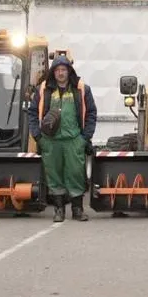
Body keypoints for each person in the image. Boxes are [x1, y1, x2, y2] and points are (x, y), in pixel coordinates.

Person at [28, 54, 97, 222]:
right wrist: (38, 137)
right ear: (53, 72)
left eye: (63, 70)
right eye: (57, 70)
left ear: (69, 71)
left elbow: (91, 113)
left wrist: (84, 138)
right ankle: (59, 210)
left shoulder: (81, 89)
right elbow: (31, 112)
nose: (60, 73)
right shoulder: (43, 90)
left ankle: (78, 210)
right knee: (54, 175)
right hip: (50, 142)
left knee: (76, 174)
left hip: (74, 140)